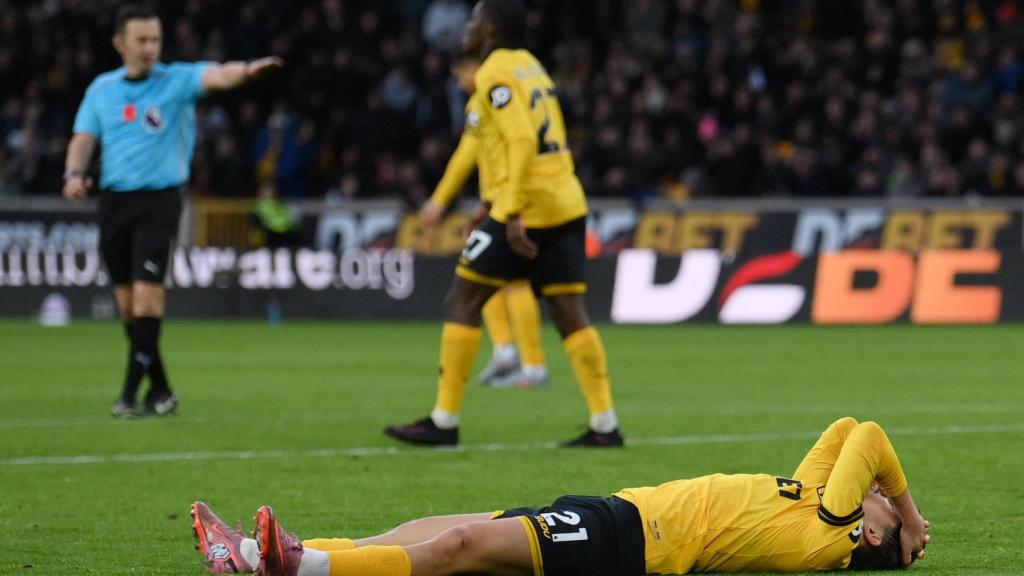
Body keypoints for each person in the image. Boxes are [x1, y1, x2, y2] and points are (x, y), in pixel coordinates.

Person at [190, 417, 930, 575]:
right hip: (621, 519)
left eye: (883, 513)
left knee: (458, 548)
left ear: (868, 537)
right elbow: (844, 430)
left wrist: (912, 513)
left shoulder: (828, 530)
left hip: (628, 543)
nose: (880, 500)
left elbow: (869, 440)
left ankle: (294, 570)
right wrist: (898, 515)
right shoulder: (815, 503)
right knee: (442, 524)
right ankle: (256, 553)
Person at [386, 0, 622, 447]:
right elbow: (478, 145)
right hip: (565, 203)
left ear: (490, 28)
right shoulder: (531, 67)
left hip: (527, 209)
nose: (466, 29)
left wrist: (508, 210)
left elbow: (520, 139)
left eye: (474, 21)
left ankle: (444, 421)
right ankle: (605, 424)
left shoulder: (493, 72)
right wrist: (471, 200)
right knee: (569, 312)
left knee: (464, 297)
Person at [62, 4, 282, 417]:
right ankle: (161, 390)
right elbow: (83, 138)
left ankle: (128, 396)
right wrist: (73, 171)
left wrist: (249, 69)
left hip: (159, 200)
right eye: (141, 40)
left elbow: (217, 74)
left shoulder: (177, 81)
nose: (149, 48)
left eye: (155, 40)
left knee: (148, 300)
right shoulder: (102, 90)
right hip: (114, 202)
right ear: (119, 44)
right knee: (128, 307)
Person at [419, 53, 547, 389]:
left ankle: (532, 368)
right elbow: (471, 150)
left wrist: (441, 200)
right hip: (497, 199)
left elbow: (499, 147)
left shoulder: (493, 93)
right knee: (481, 272)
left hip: (512, 199)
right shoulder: (482, 100)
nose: (460, 80)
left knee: (511, 280)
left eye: (460, 71)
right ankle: (507, 353)